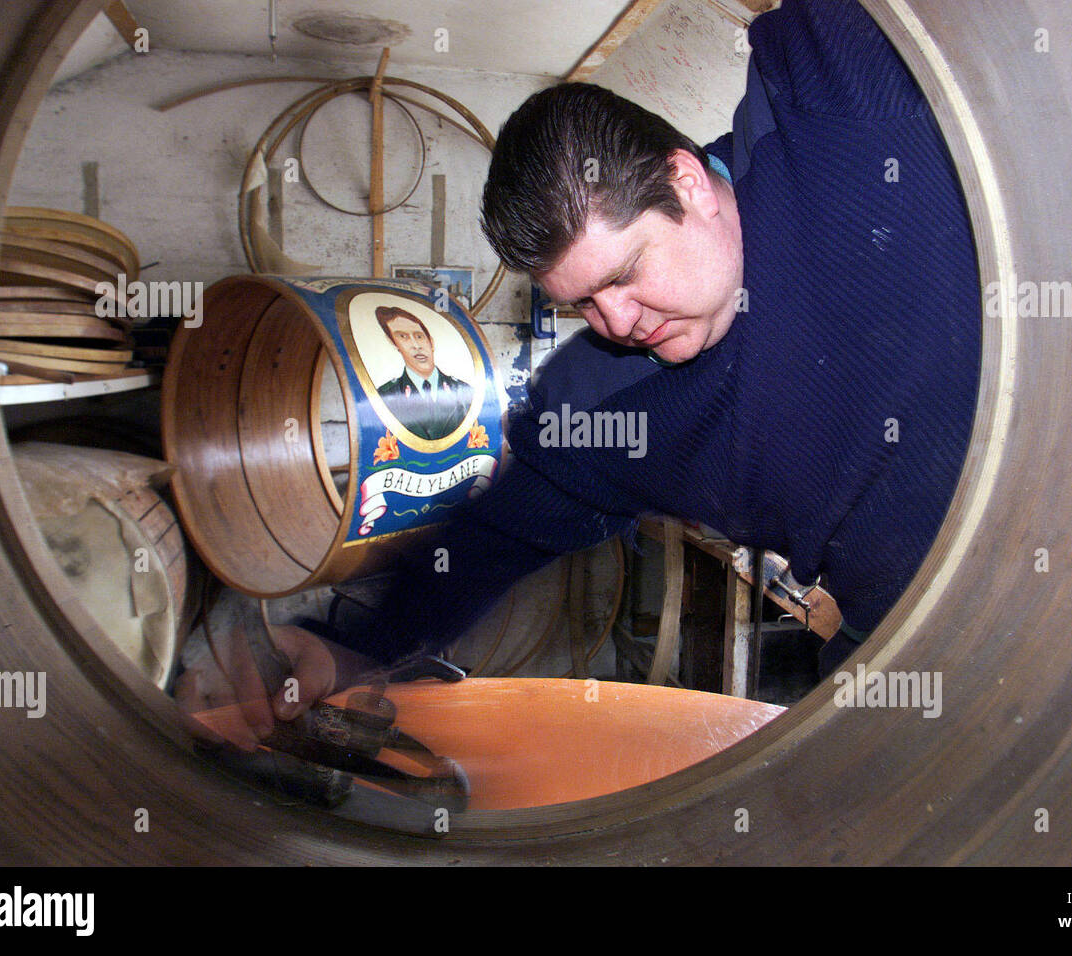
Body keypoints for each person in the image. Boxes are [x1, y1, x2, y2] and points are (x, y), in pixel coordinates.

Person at [189, 0, 981, 740]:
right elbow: (487, 540)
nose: (620, 322)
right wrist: (350, 650)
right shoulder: (607, 406)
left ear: (687, 183)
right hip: (926, 639)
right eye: (583, 305)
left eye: (626, 272)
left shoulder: (827, 97)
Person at [373, 306, 472, 441]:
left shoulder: (463, 391)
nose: (416, 345)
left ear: (431, 341)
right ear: (394, 343)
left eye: (419, 336)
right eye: (403, 337)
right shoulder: (385, 396)